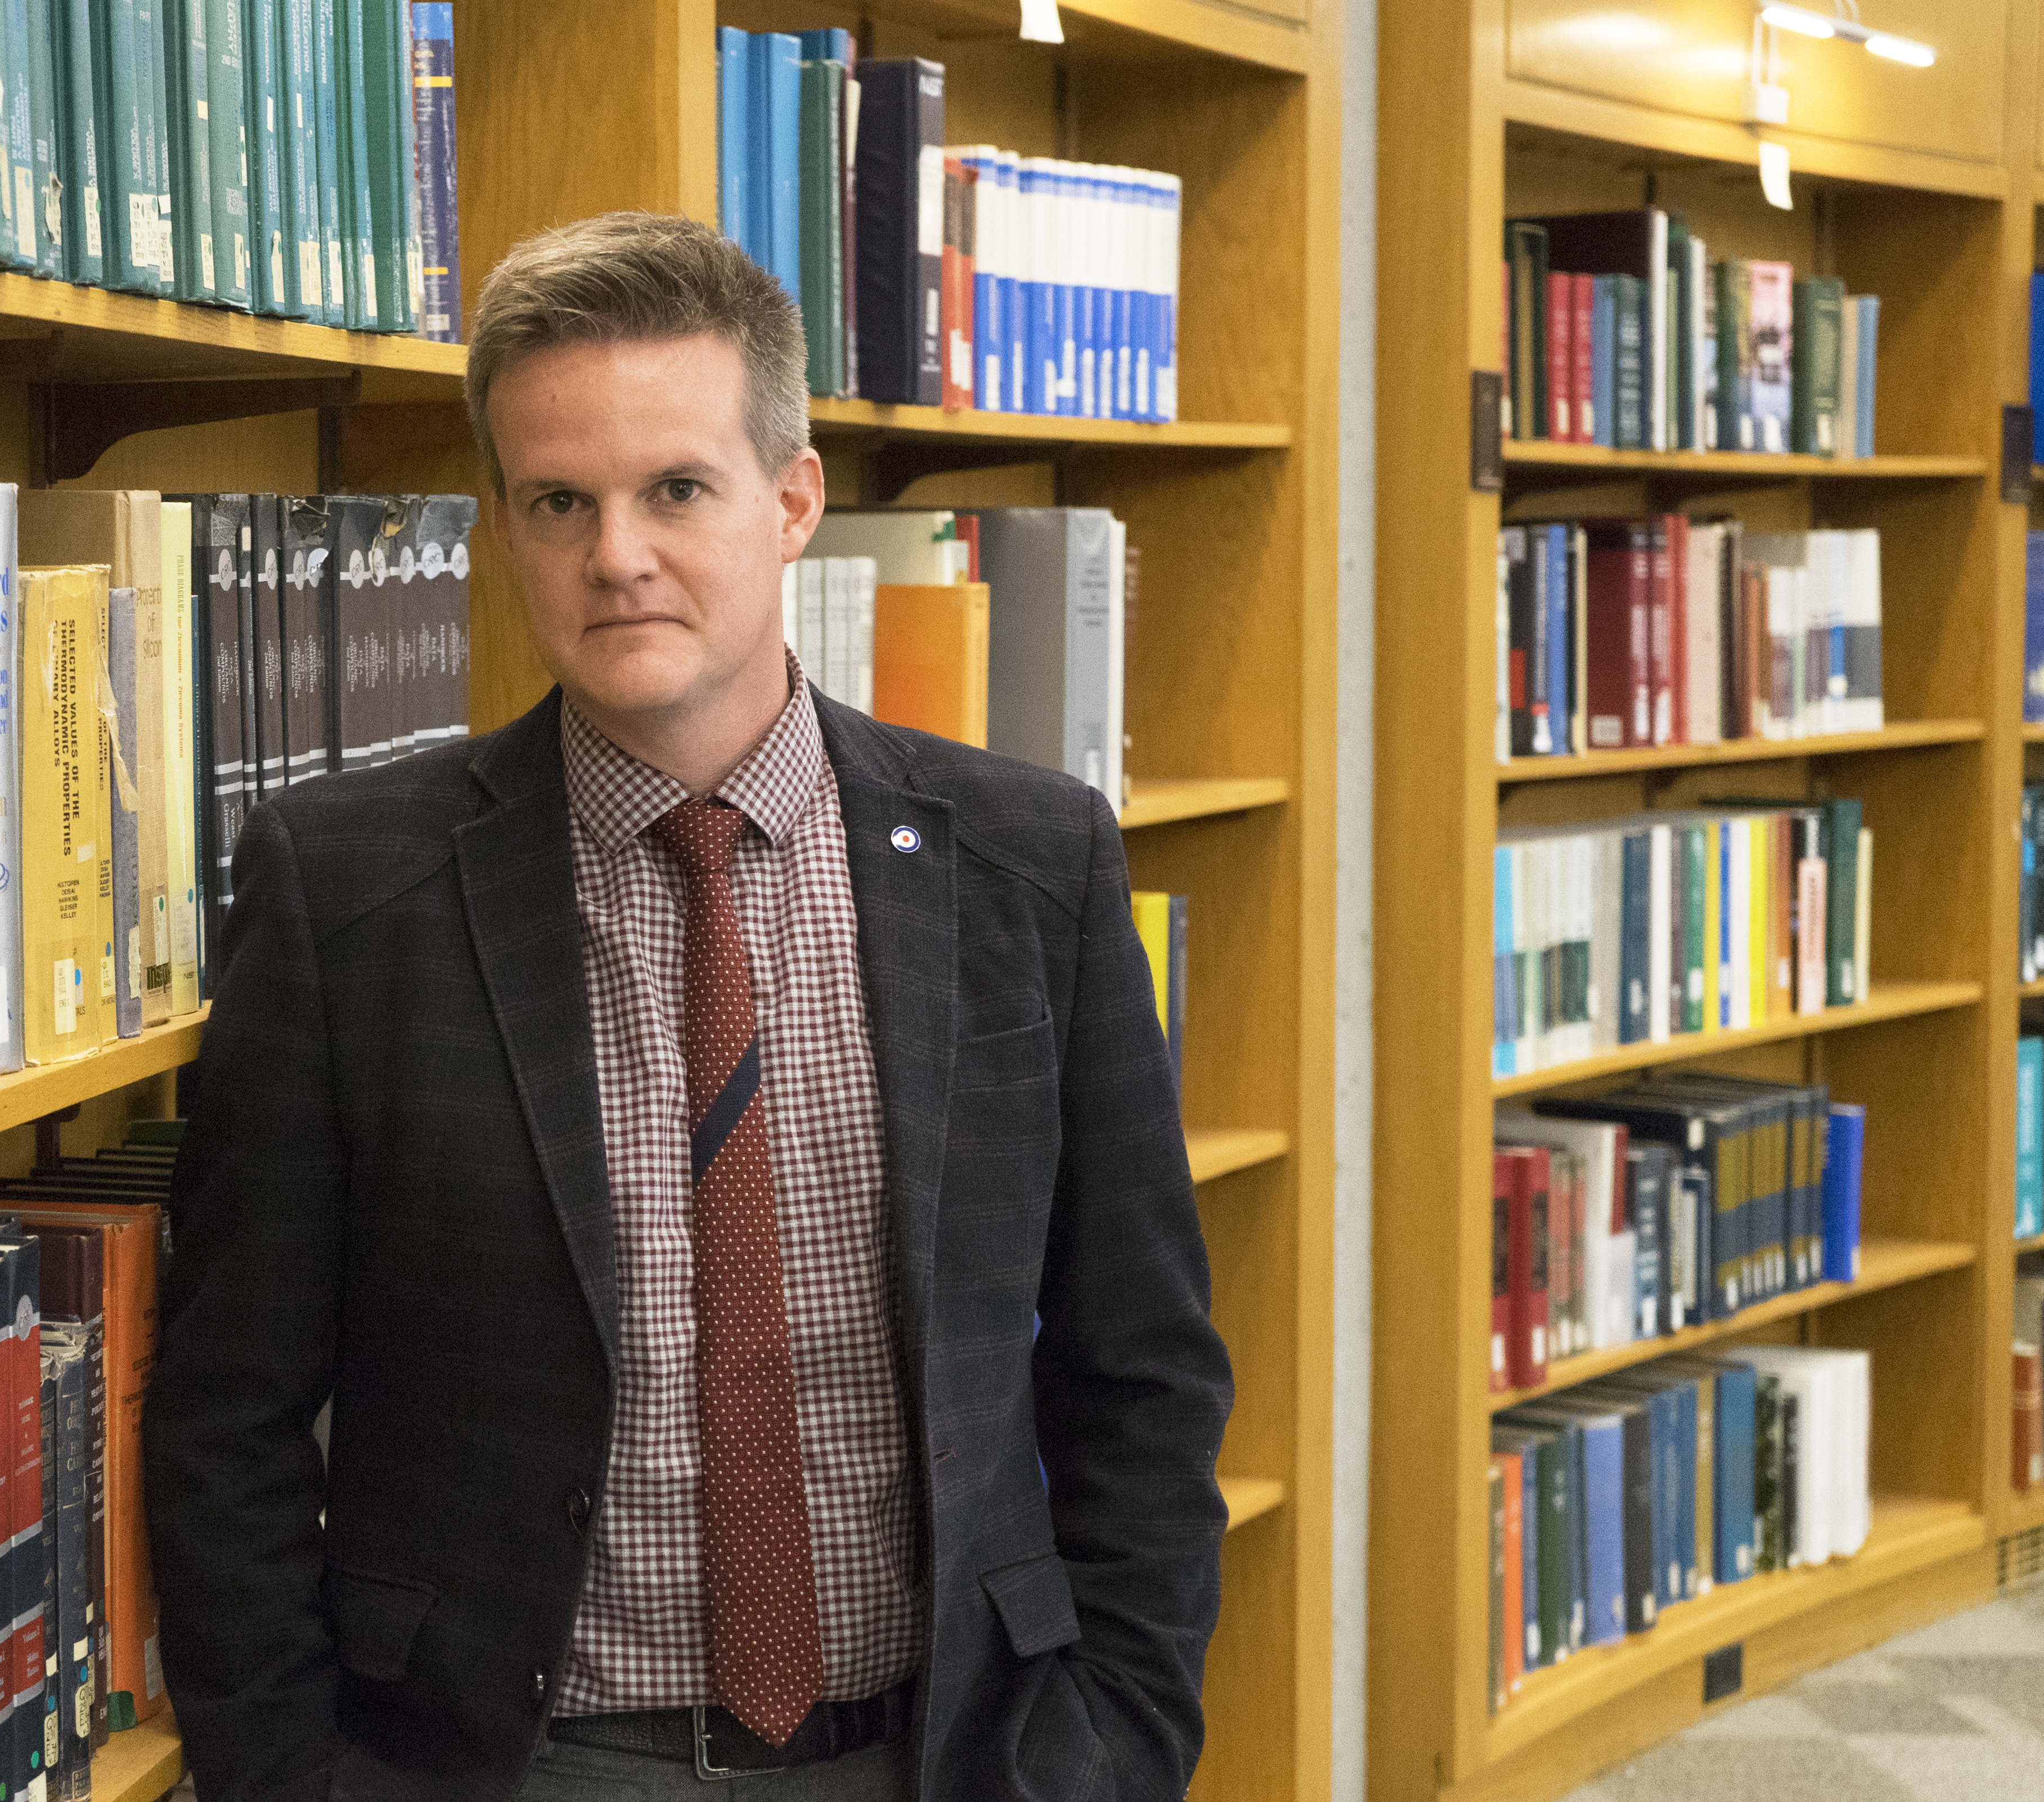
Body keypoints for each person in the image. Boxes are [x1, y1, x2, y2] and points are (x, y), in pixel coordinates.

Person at [144, 211, 1230, 1802]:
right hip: (519, 1761)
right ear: (504, 526)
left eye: (676, 489)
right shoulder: (342, 887)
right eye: (558, 501)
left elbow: (1140, 1364)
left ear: (790, 502)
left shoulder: (1028, 859)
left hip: (945, 1753)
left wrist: (1115, 1742)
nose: (617, 555)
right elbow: (228, 1407)